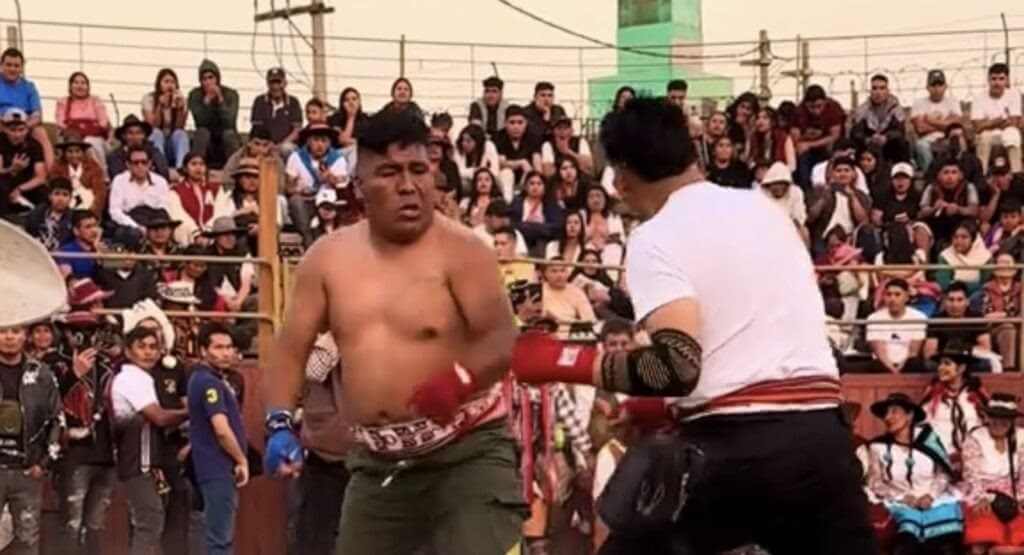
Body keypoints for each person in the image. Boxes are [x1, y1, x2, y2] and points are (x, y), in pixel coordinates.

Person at [509, 97, 876, 554]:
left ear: (621, 177)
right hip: (822, 440)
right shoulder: (767, 210)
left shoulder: (656, 235)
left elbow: (677, 364)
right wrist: (663, 406)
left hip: (735, 450)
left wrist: (562, 360)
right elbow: (752, 343)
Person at [262, 108, 526, 554]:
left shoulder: (465, 252)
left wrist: (459, 380)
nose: (408, 185)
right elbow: (290, 349)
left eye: (418, 170)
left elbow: (502, 339)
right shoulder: (327, 260)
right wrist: (278, 423)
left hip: (467, 453)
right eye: (389, 172)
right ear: (359, 185)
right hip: (376, 464)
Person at [188, 323, 248, 555]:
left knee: (215, 536)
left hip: (212, 467)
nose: (226, 353)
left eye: (229, 347)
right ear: (203, 350)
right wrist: (241, 459)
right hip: (217, 467)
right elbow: (221, 429)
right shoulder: (209, 382)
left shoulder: (205, 379)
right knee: (220, 540)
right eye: (218, 347)